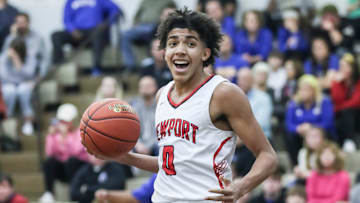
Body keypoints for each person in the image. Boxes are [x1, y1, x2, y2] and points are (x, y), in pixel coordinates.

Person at [89, 8, 277, 202]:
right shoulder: (161, 95)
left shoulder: (223, 93)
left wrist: (242, 186)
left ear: (205, 53)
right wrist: (125, 157)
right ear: (165, 53)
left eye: (190, 43)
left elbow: (268, 155)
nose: (180, 49)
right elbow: (171, 164)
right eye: (173, 43)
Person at [52, 0, 121, 76]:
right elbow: (66, 19)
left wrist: (107, 23)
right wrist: (72, 30)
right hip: (76, 33)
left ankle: (96, 68)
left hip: (95, 31)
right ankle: (59, 64)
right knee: (55, 36)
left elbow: (115, 9)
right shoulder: (70, 2)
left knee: (98, 33)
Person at [39, 103, 88, 203]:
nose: (63, 124)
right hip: (64, 169)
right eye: (61, 121)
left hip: (79, 167)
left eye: (66, 121)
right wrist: (50, 136)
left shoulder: (80, 132)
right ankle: (49, 193)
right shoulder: (55, 134)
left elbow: (75, 152)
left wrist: (65, 138)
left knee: (71, 161)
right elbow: (49, 153)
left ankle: (74, 191)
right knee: (49, 162)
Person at [285, 74, 335, 164]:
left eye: (307, 90)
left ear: (314, 90)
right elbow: (289, 124)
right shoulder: (293, 103)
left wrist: (311, 127)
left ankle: (321, 163)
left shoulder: (324, 101)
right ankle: (296, 164)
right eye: (301, 89)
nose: (303, 92)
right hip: (300, 134)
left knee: (317, 134)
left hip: (320, 132)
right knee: (290, 135)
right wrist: (298, 128)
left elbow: (327, 122)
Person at [120, 1, 176, 71]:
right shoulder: (145, 1)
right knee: (125, 35)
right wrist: (135, 24)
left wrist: (160, 21)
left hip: (154, 24)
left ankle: (150, 59)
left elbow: (172, 12)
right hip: (141, 25)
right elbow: (137, 15)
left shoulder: (167, 1)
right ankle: (130, 65)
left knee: (154, 35)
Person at [0, 37, 37, 136]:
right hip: (8, 84)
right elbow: (3, 75)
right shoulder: (4, 57)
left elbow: (30, 74)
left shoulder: (30, 56)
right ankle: (8, 120)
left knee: (23, 90)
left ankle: (28, 122)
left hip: (25, 84)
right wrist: (18, 80)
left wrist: (17, 61)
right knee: (9, 91)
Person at [331, 53, 360, 147]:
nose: (342, 69)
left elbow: (356, 102)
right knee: (342, 116)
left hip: (357, 113)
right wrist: (337, 83)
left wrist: (339, 107)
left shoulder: (358, 81)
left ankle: (351, 141)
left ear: (353, 68)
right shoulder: (338, 82)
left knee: (347, 112)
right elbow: (336, 99)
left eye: (346, 66)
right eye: (341, 66)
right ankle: (348, 142)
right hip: (343, 115)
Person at [131, 76, 158, 156]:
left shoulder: (161, 106)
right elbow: (131, 131)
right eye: (143, 86)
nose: (145, 88)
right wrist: (137, 144)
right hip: (138, 145)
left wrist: (149, 146)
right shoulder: (134, 107)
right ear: (139, 89)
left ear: (155, 87)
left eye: (148, 86)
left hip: (156, 145)